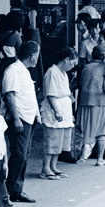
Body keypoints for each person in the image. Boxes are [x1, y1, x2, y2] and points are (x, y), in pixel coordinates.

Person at [2, 42, 40, 203]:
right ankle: (8, 191)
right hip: (20, 119)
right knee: (18, 155)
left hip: (29, 118)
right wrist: (16, 118)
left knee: (24, 155)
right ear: (32, 56)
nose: (38, 57)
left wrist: (37, 114)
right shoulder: (13, 70)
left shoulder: (24, 71)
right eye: (37, 54)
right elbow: (10, 95)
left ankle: (17, 189)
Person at [77, 46, 105, 166]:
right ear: (103, 56)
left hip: (84, 101)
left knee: (84, 130)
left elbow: (80, 84)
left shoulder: (85, 67)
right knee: (102, 131)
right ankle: (99, 159)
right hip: (101, 102)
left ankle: (81, 154)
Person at [40, 48, 77, 179]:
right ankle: (45, 168)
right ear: (66, 60)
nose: (73, 67)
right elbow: (51, 94)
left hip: (64, 111)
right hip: (55, 110)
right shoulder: (52, 72)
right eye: (72, 63)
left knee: (60, 141)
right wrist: (57, 110)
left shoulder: (64, 73)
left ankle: (53, 166)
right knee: (52, 139)